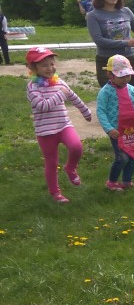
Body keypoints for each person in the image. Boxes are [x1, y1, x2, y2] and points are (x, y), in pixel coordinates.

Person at [24, 46, 92, 203]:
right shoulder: (32, 87)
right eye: (44, 65)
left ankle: (70, 168)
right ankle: (55, 193)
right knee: (51, 162)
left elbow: (73, 96)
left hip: (63, 125)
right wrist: (60, 94)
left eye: (52, 64)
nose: (50, 68)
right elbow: (43, 106)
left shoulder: (59, 82)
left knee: (76, 147)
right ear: (33, 68)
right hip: (45, 131)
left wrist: (85, 111)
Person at [96, 54, 134, 192]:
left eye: (128, 75)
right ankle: (112, 182)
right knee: (122, 158)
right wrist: (109, 129)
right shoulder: (105, 92)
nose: (126, 79)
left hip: (133, 130)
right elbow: (101, 111)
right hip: (117, 132)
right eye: (122, 76)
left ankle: (127, 181)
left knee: (132, 156)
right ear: (110, 75)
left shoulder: (132, 90)